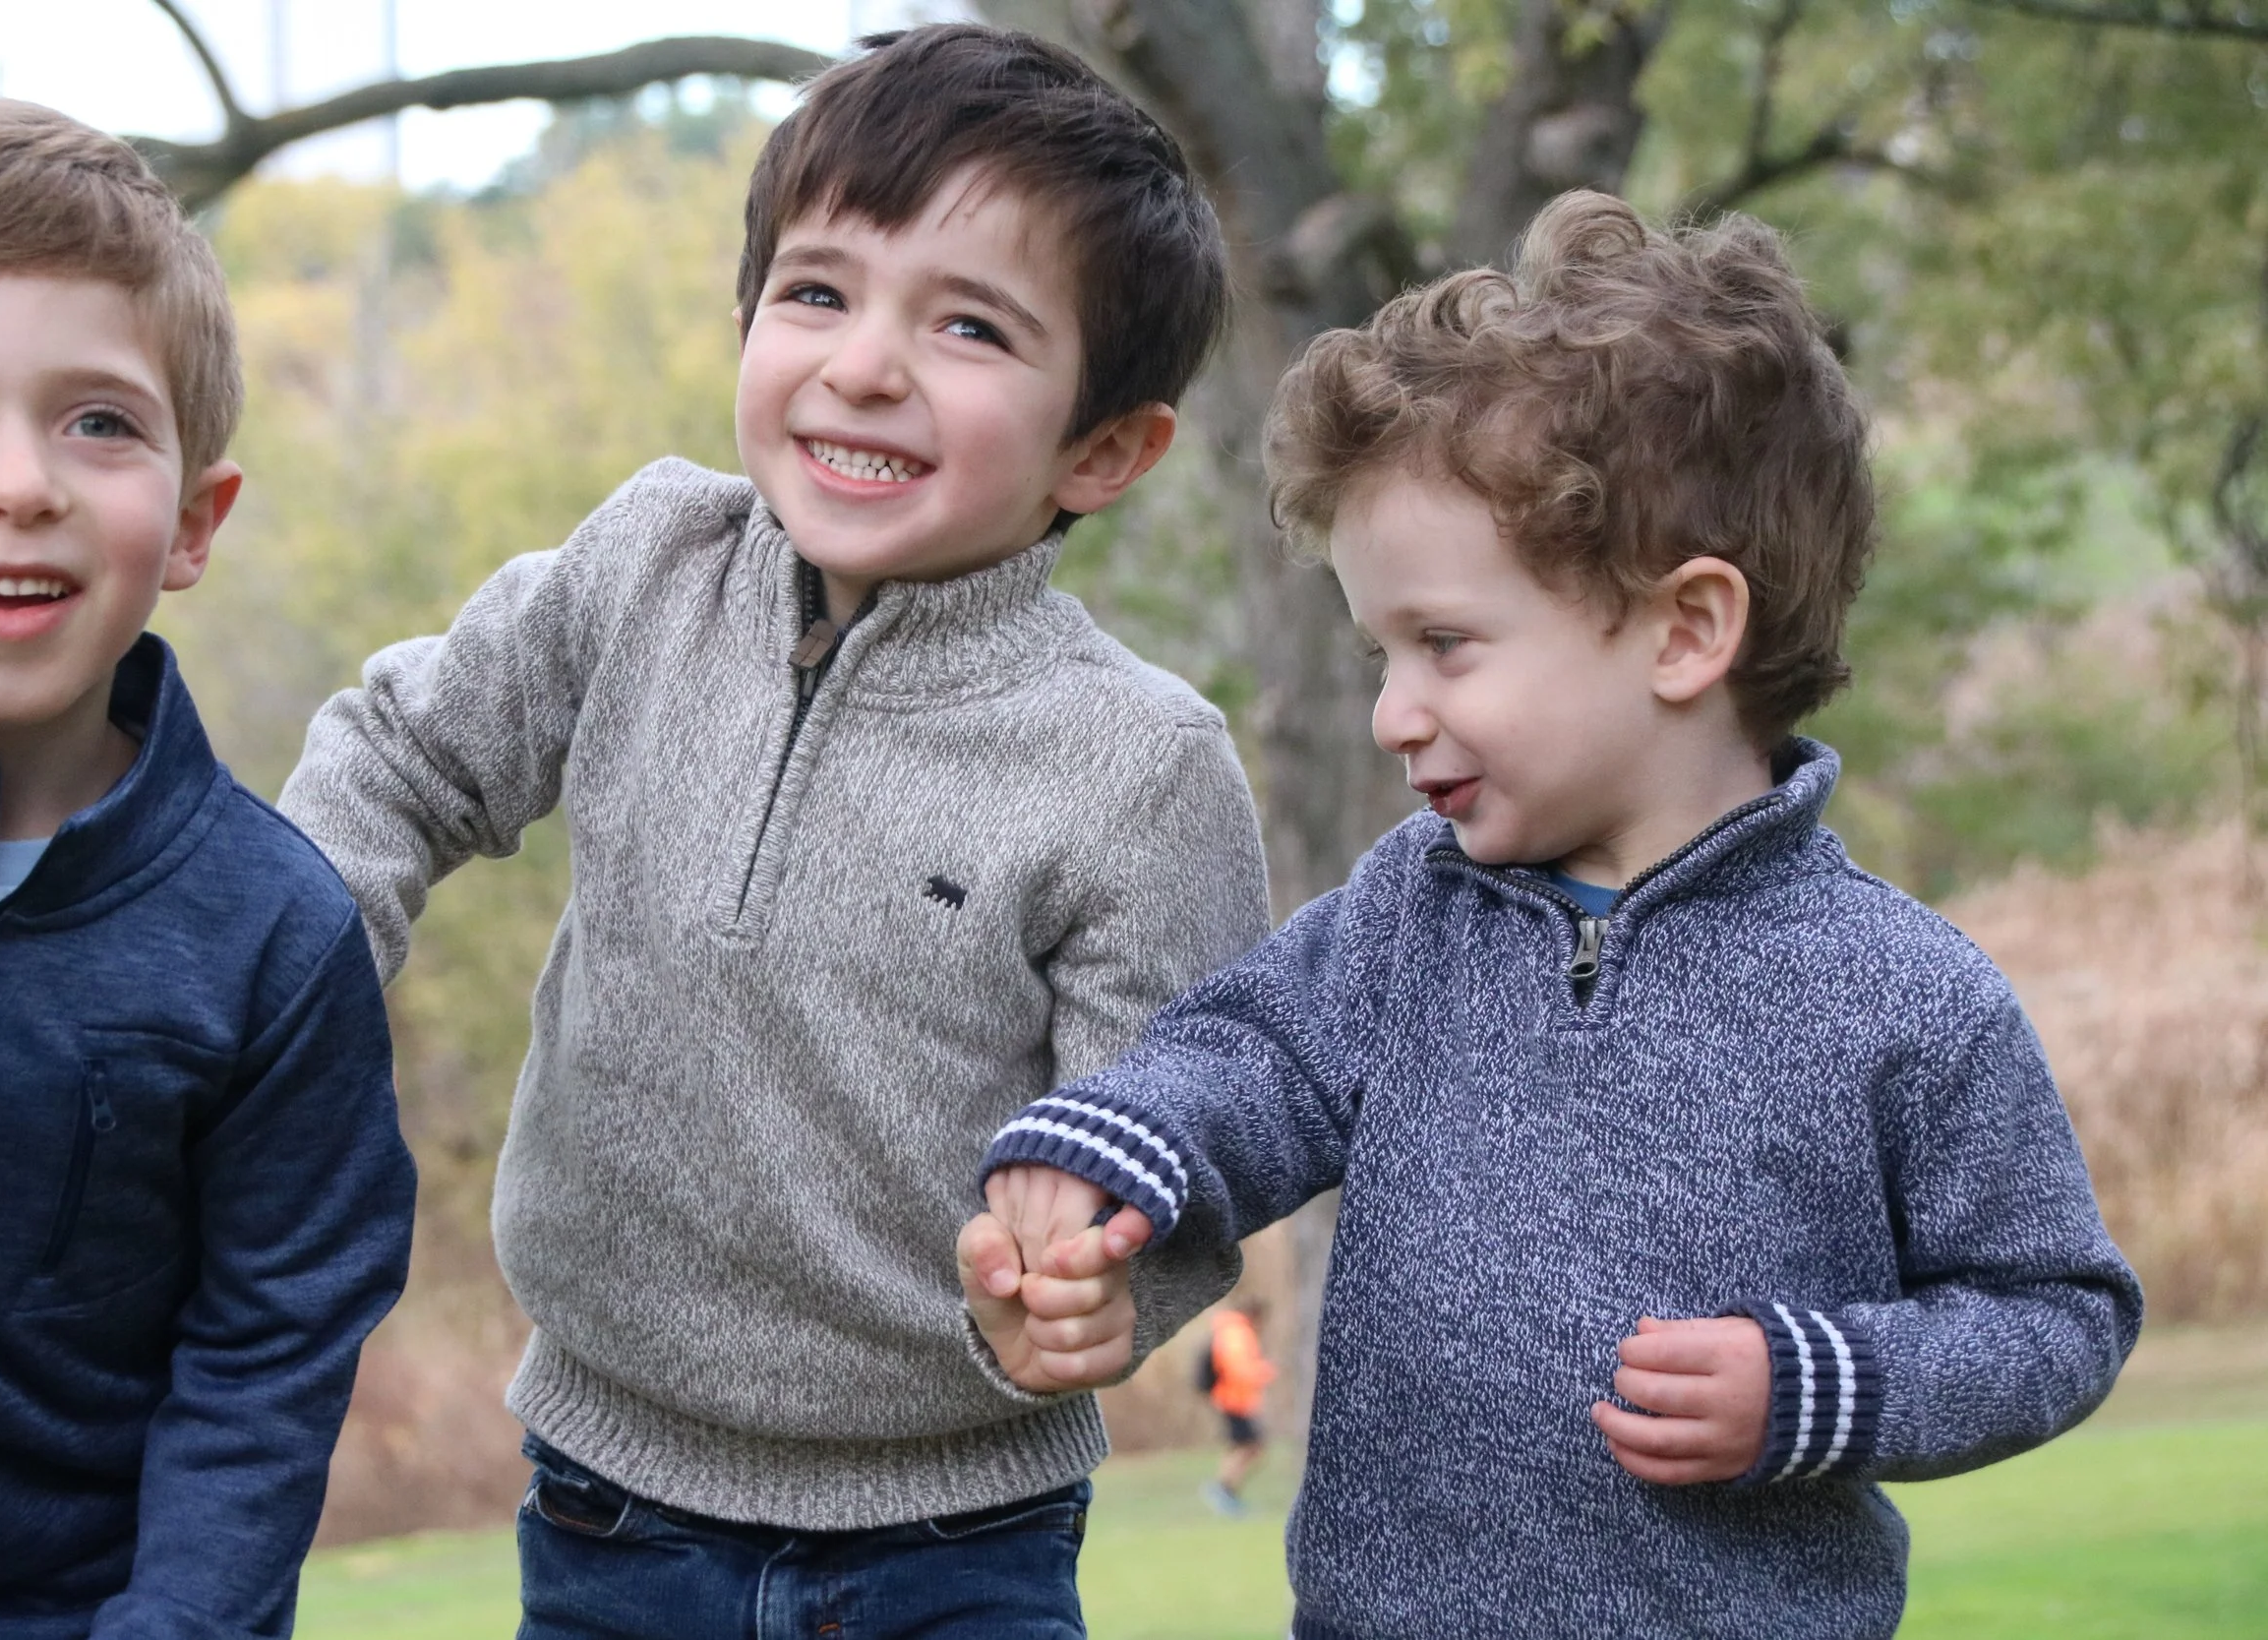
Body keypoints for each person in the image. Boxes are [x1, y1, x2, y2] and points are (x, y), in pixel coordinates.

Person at [958, 192, 2143, 1638]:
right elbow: (1246, 1061)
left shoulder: (1902, 993)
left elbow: (2053, 1313)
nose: (1397, 710)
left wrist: (1820, 1381)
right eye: (1382, 648)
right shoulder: (1414, 911)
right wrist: (1099, 1160)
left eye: (1446, 643)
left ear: (1686, 630)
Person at [277, 25, 1268, 1638]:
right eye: (817, 292)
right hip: (607, 1496)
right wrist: (275, 977)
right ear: (745, 320)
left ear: (1106, 447)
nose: (864, 363)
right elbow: (399, 759)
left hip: (957, 1531)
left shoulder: (1138, 764)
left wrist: (1100, 1282)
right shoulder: (641, 570)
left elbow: (1194, 1118)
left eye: (969, 325)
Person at [0, 102, 416, 1638]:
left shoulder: (272, 936)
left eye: (99, 421)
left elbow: (266, 1356)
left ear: (195, 520)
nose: (19, 481)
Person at [1198, 1296, 1278, 1516]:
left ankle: (1227, 1491)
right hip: (1234, 1400)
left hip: (1236, 1399)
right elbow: (1238, 1368)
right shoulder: (1237, 1333)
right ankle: (1221, 1489)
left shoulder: (1233, 1330)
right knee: (1250, 1447)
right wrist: (1264, 1371)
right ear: (1255, 1316)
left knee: (1246, 1447)